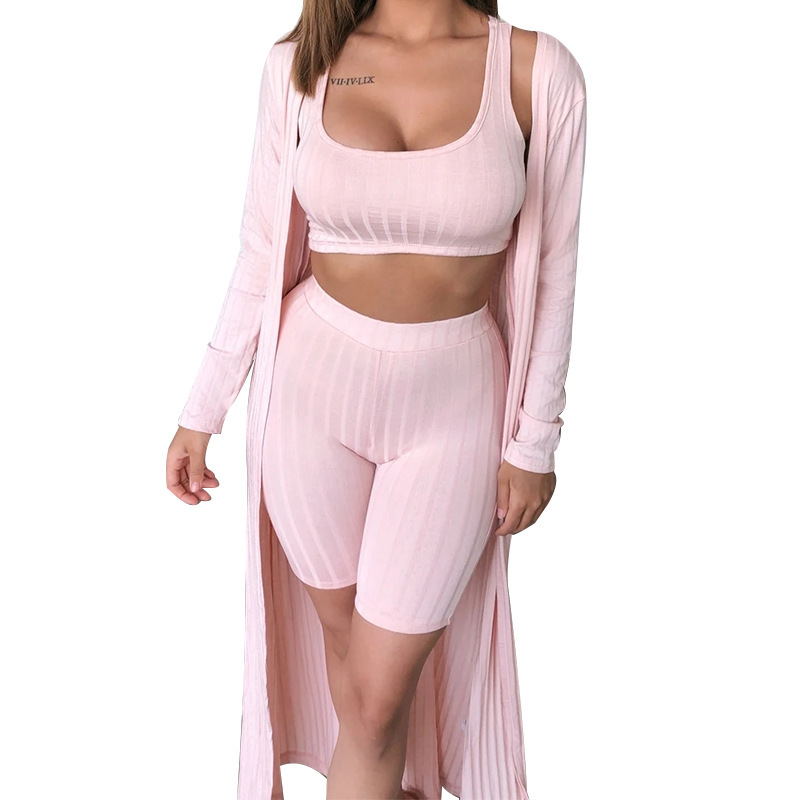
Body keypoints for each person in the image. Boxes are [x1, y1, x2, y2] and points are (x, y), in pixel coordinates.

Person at [167, 1, 587, 798]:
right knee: (357, 677)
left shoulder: (536, 71)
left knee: (376, 695)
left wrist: (536, 441)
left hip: (454, 410)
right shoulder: (303, 64)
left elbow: (556, 269)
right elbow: (261, 245)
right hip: (310, 396)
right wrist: (203, 409)